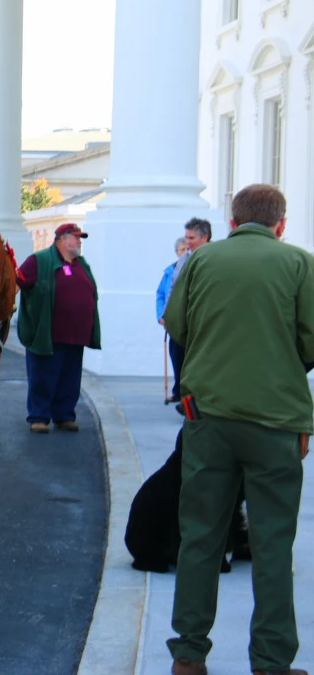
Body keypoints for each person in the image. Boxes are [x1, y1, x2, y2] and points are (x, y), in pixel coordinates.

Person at [165, 184, 314, 675]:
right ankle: (271, 662)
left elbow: (177, 325)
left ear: (231, 222)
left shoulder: (203, 261)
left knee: (201, 536)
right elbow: (311, 343)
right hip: (276, 423)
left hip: (209, 417)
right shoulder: (299, 264)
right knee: (273, 545)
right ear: (282, 223)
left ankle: (188, 654)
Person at [15, 222, 101, 433]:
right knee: (43, 376)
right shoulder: (40, 260)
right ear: (63, 239)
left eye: (80, 238)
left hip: (76, 335)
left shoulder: (81, 264)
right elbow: (17, 281)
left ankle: (64, 416)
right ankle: (39, 417)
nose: (79, 242)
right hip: (48, 334)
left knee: (70, 379)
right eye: (76, 237)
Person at [160, 217, 213, 405]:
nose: (187, 242)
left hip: (205, 322)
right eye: (186, 238)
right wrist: (168, 315)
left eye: (191, 238)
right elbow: (172, 289)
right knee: (179, 358)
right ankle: (185, 397)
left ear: (205, 237)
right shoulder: (183, 261)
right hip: (183, 322)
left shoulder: (215, 258)